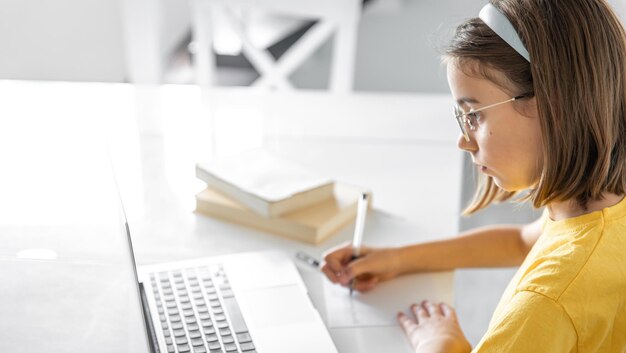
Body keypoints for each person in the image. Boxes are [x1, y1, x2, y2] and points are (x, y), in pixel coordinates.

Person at [321, 0, 626, 352]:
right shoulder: (598, 216)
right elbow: (522, 243)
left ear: (555, 106)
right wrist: (398, 259)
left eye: (474, 115)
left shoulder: (546, 301)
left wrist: (440, 344)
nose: (463, 141)